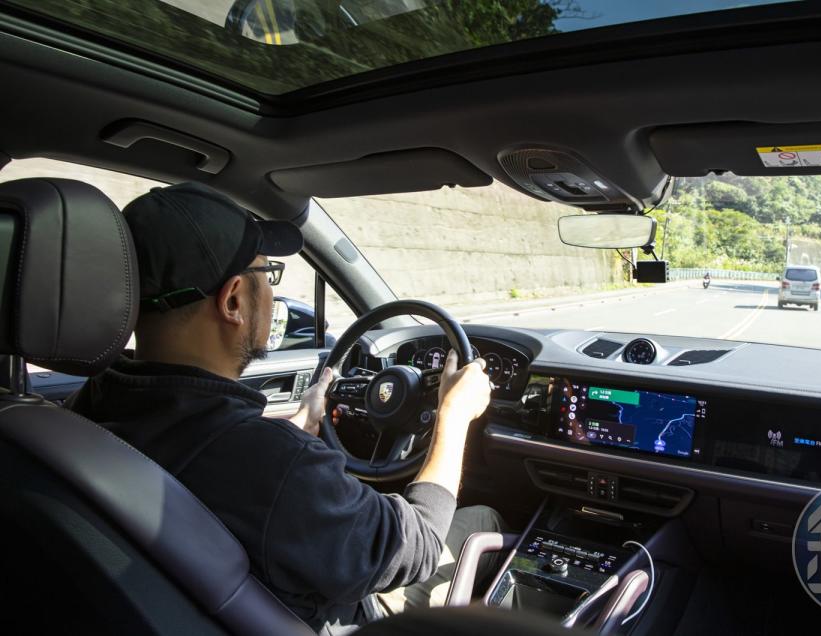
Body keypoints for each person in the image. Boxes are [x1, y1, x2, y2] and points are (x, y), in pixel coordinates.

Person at [68, 183, 503, 634]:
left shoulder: (84, 406)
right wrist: (453, 417)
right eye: (267, 273)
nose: (272, 294)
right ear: (234, 299)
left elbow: (225, 467)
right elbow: (418, 546)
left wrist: (298, 427)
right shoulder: (274, 464)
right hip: (331, 621)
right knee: (483, 523)